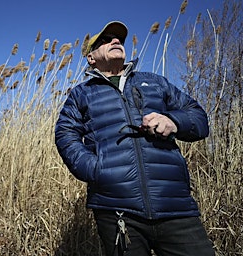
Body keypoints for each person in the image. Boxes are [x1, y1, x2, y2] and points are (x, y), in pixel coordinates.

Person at [54, 21, 215, 256]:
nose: (115, 41)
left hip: (175, 206)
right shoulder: (82, 93)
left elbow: (198, 118)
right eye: (106, 40)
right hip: (116, 209)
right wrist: (97, 170)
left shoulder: (155, 82)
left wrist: (173, 122)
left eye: (118, 38)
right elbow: (65, 133)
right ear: (91, 58)